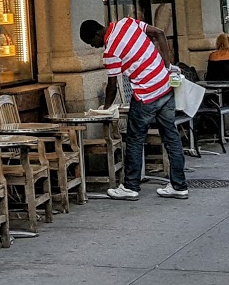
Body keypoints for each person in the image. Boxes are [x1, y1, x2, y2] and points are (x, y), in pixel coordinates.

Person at [80, 16, 188, 200]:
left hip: (146, 95)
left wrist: (105, 109)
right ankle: (179, 185)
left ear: (98, 33)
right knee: (171, 136)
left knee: (135, 140)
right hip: (165, 86)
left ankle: (130, 186)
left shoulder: (111, 52)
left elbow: (112, 85)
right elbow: (159, 33)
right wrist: (167, 65)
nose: (94, 46)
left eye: (92, 42)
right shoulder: (127, 22)